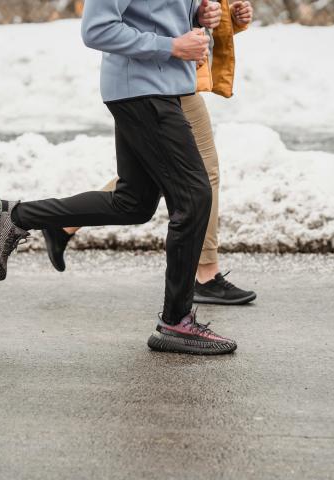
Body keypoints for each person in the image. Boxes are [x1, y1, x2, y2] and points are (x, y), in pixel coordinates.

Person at [0, 0, 237, 355]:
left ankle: (16, 216)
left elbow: (155, 12)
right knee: (194, 197)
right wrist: (172, 46)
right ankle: (176, 322)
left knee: (132, 203)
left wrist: (197, 15)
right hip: (143, 90)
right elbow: (97, 29)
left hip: (160, 88)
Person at [44, 0, 256, 306]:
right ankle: (204, 276)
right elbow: (101, 28)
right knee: (198, 176)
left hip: (172, 77)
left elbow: (170, 14)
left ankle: (58, 223)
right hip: (150, 82)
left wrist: (219, 17)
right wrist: (173, 45)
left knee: (151, 179)